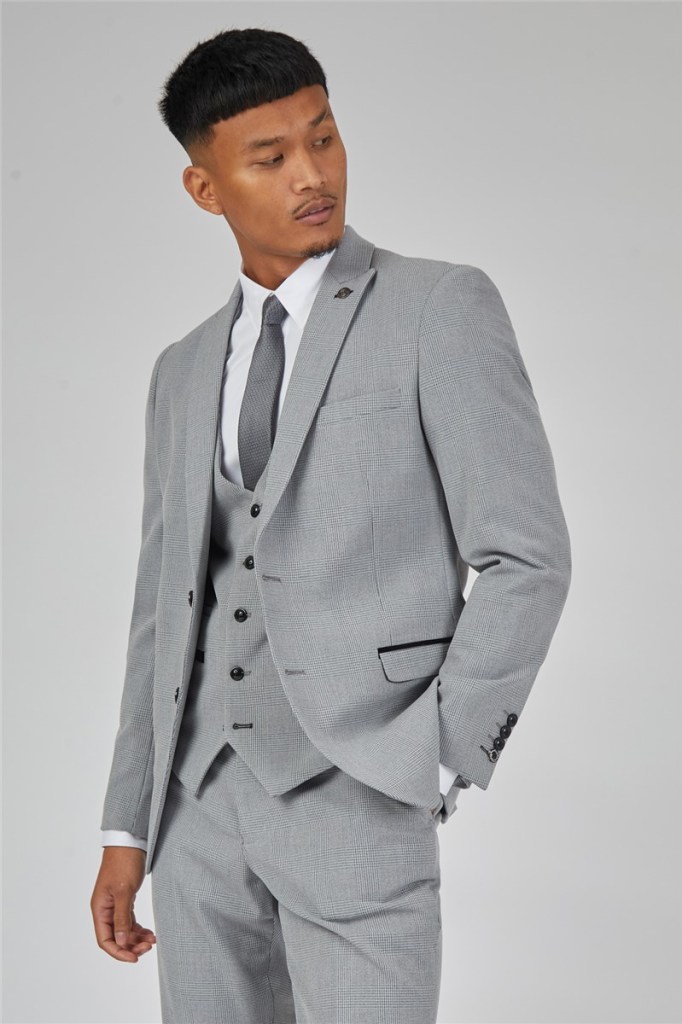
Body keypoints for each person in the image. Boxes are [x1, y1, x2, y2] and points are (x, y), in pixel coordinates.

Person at [90, 26, 571, 1023]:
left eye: (323, 137)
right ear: (206, 188)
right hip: (196, 812)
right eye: (270, 158)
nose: (312, 175)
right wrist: (127, 826)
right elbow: (161, 609)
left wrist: (434, 757)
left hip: (361, 791)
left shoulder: (438, 307)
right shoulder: (181, 370)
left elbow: (526, 555)